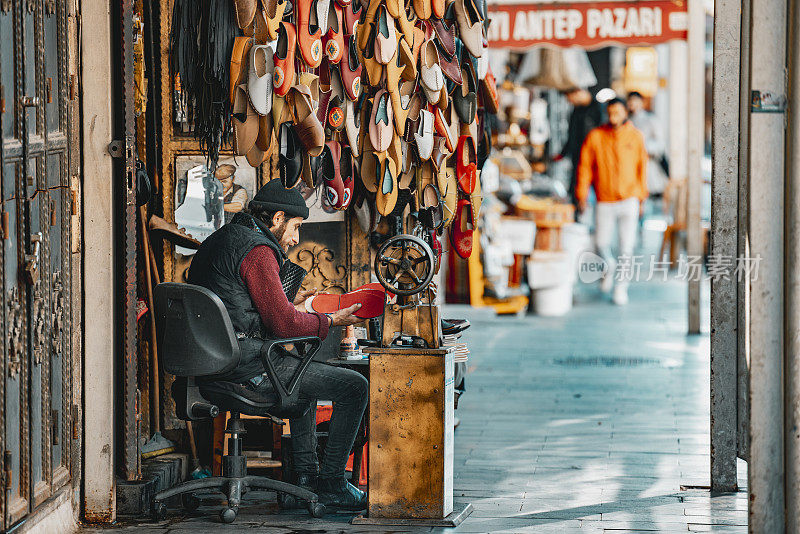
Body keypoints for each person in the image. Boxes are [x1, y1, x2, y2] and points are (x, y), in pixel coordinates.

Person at [187, 179, 368, 510]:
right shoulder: (257, 251)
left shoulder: (221, 240)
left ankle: (304, 479)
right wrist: (332, 321)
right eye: (295, 227)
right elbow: (283, 325)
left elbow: (238, 304)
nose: (296, 238)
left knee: (302, 376)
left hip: (208, 369)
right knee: (355, 387)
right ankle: (331, 483)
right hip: (247, 369)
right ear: (277, 218)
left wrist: (289, 300)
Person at [576, 97, 648, 306]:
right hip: (604, 199)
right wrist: (582, 194)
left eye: (618, 112)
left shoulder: (635, 137)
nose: (614, 116)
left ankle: (621, 288)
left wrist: (642, 197)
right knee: (601, 243)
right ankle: (608, 266)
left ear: (625, 113)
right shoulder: (596, 136)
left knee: (627, 246)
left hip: (630, 199)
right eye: (611, 112)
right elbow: (585, 168)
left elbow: (642, 168)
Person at [554, 87, 604, 207]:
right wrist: (562, 154)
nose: (569, 101)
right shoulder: (576, 111)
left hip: (595, 161)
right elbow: (571, 136)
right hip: (578, 160)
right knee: (576, 193)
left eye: (569, 98)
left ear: (577, 92)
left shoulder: (599, 110)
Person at [626, 92, 669, 196]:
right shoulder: (626, 121)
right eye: (630, 101)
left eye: (635, 100)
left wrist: (642, 148)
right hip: (630, 167)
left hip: (650, 167)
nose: (633, 104)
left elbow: (660, 144)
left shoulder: (651, 119)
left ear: (642, 102)